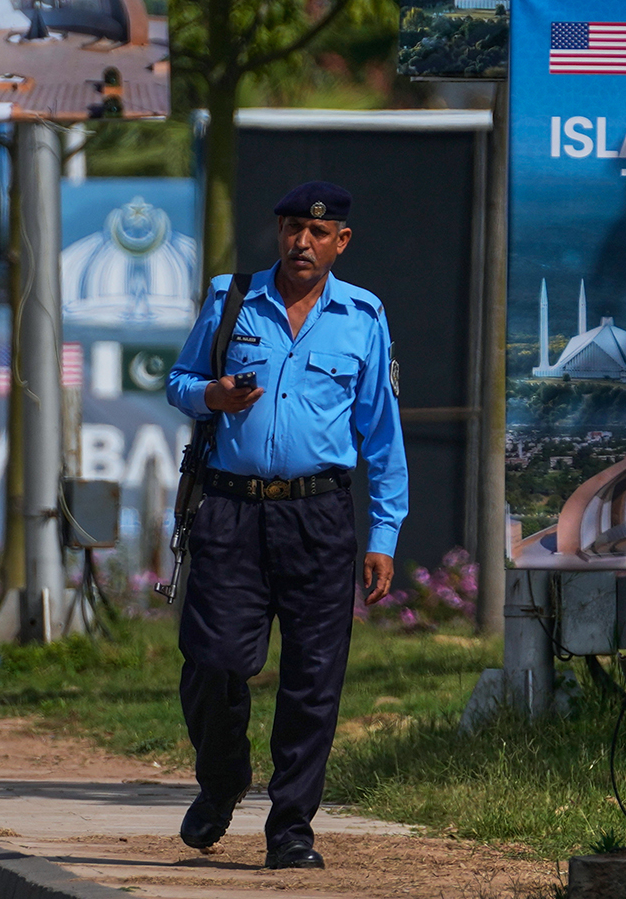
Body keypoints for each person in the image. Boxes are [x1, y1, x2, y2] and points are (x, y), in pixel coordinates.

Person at [164, 180, 407, 870]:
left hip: (319, 516)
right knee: (210, 661)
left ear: (342, 242)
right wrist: (210, 395)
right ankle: (222, 779)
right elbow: (180, 381)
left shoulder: (363, 316)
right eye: (293, 227)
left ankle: (292, 827)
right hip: (231, 508)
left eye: (318, 231)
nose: (303, 240)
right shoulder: (231, 298)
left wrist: (385, 534)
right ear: (279, 231)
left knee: (313, 678)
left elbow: (382, 436)